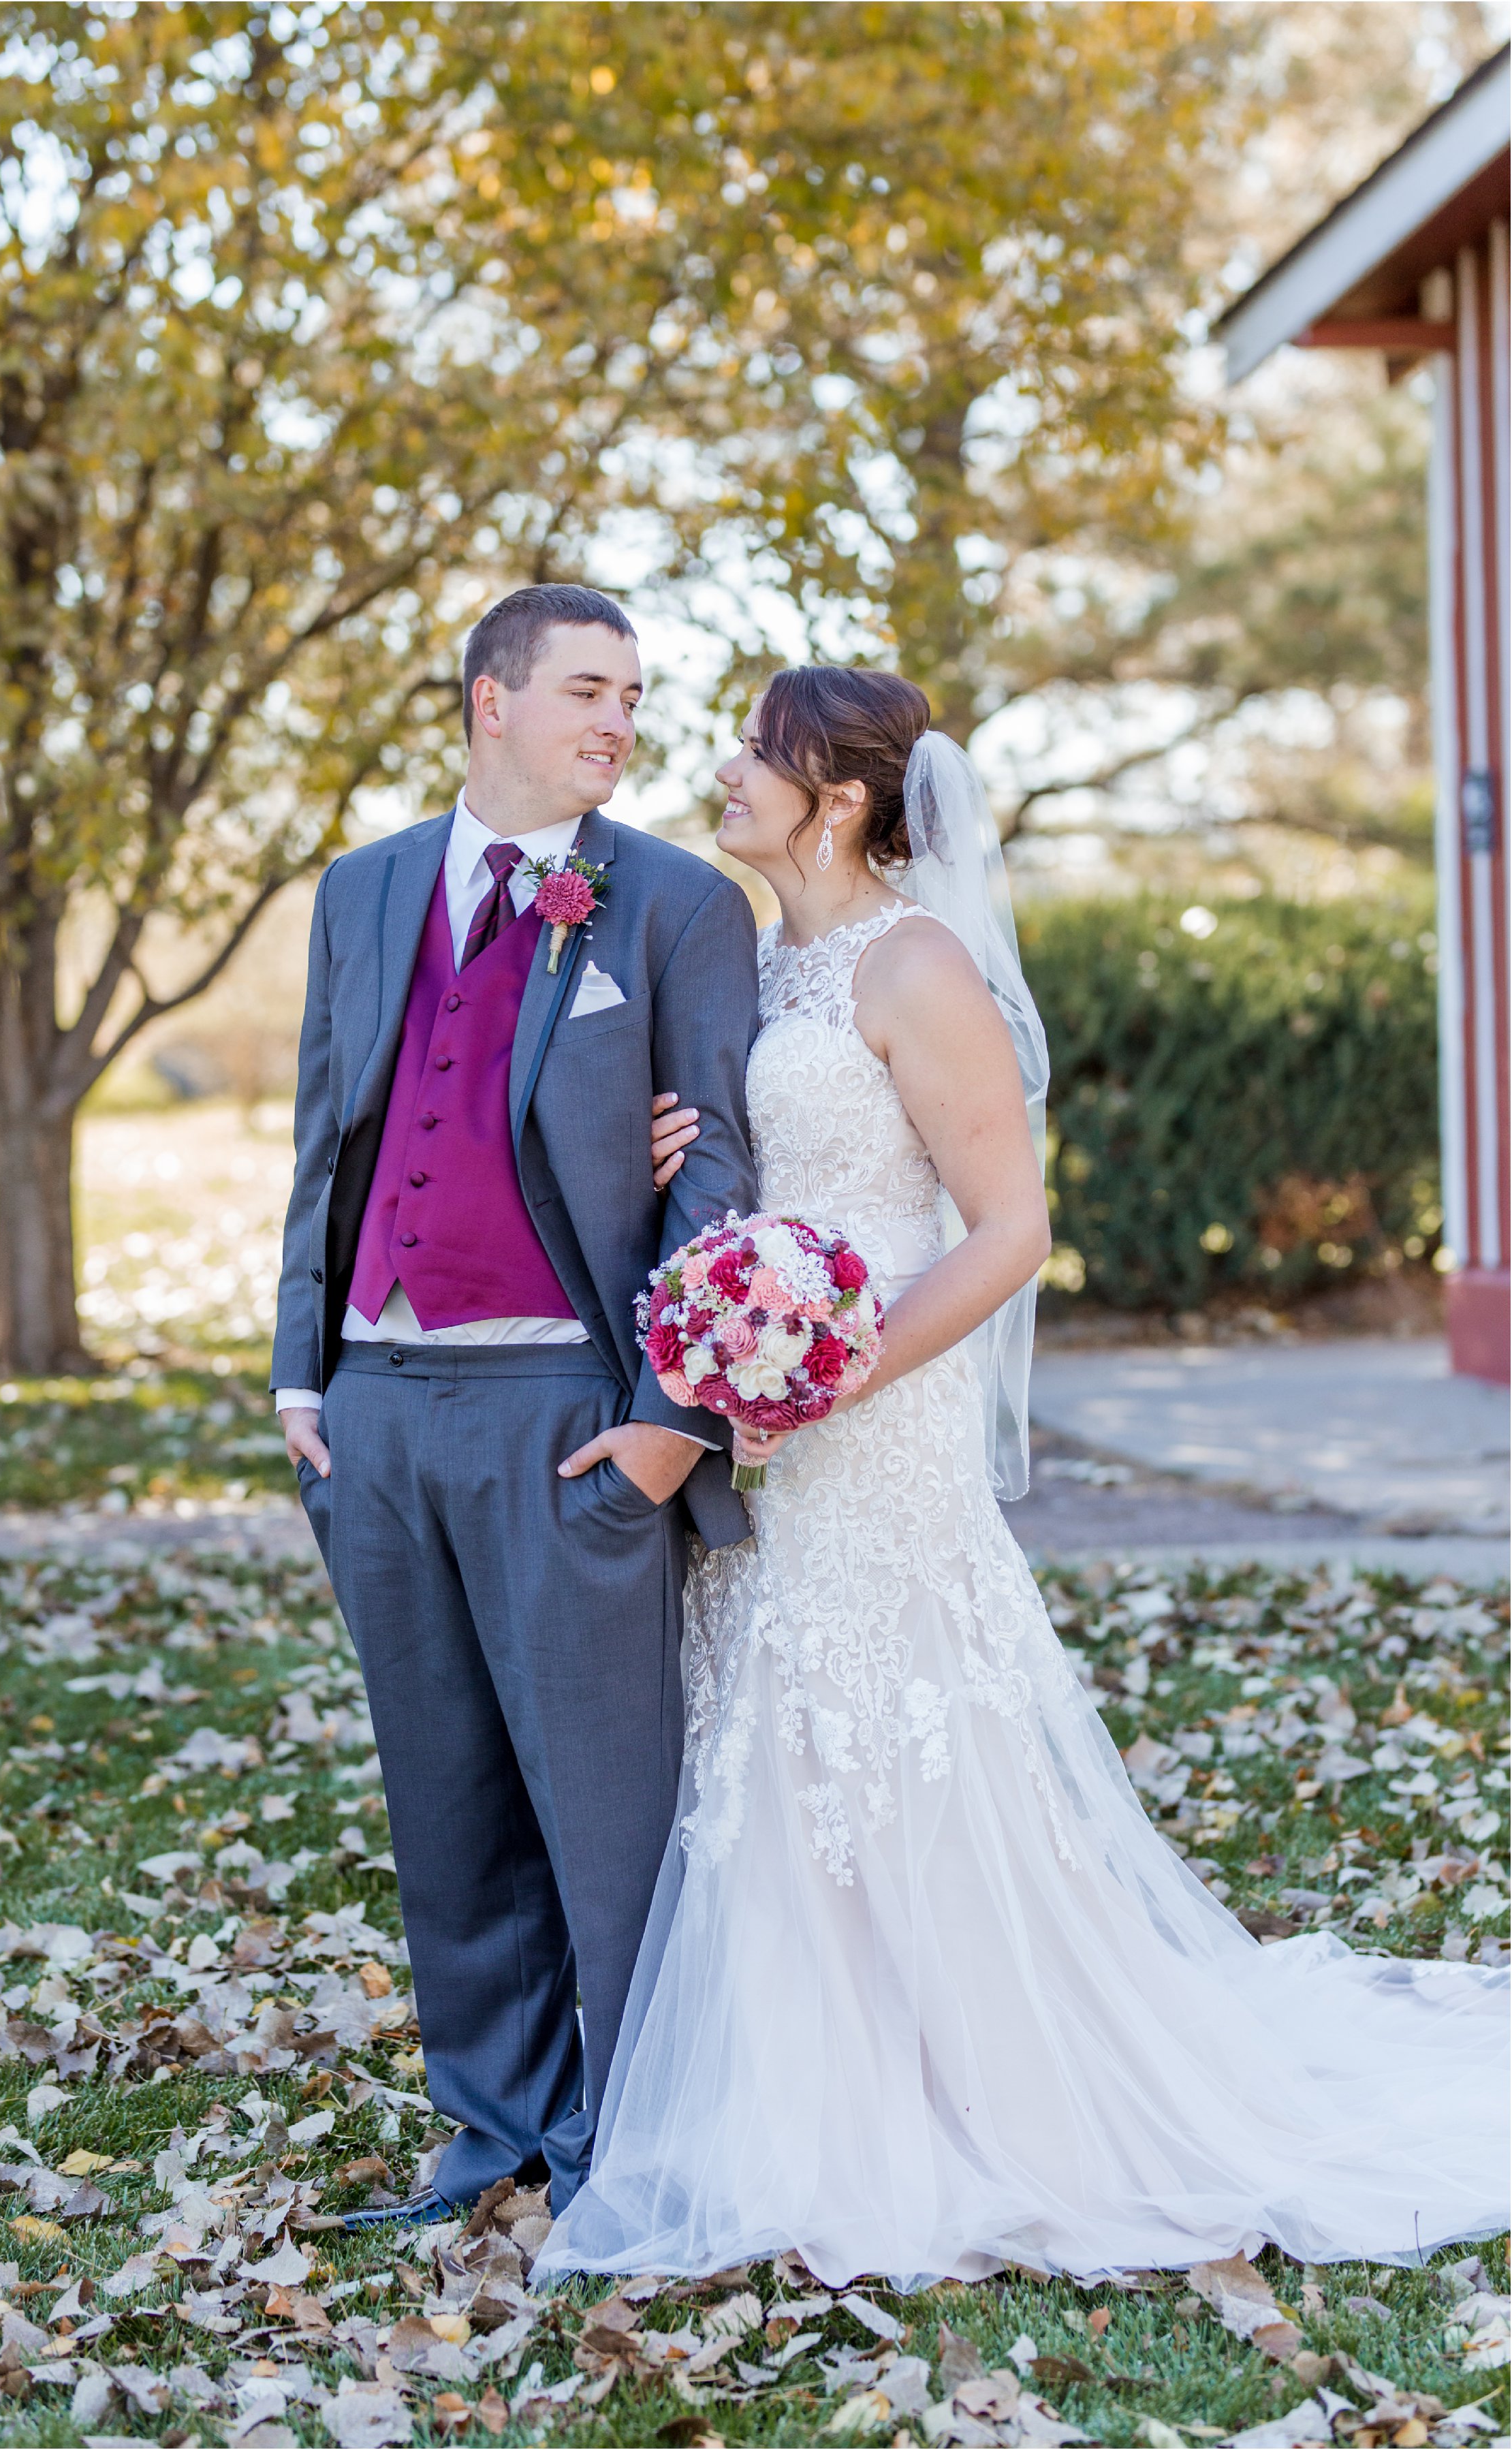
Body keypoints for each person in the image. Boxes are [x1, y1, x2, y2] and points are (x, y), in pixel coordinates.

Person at [536, 663, 1509, 2289]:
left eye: (753, 753)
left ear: (837, 796)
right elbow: (754, 1169)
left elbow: (1010, 1229)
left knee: (900, 1733)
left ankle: (1005, 2097)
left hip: (877, 1414)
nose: (719, 770)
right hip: (775, 1425)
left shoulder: (918, 962)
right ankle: (821, 2102)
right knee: (780, 1738)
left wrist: (834, 1365)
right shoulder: (756, 959)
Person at [271, 584, 760, 2222]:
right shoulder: (362, 890)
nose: (618, 723)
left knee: (603, 1804)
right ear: (491, 701)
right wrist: (300, 1371)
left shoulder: (675, 905)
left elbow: (724, 1190)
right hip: (379, 1405)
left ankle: (632, 2148)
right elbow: (326, 1142)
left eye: (633, 694)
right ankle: (493, 2125)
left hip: (568, 1407)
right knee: (445, 1789)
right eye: (586, 690)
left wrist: (668, 1421)